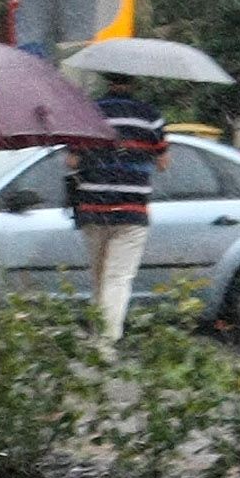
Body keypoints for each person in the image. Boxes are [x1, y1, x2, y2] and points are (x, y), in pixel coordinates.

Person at [73, 79, 168, 340]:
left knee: (100, 279)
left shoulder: (89, 112)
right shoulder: (150, 117)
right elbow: (163, 164)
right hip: (131, 210)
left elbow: (72, 160)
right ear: (135, 81)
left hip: (93, 206)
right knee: (118, 279)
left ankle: (98, 338)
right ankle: (105, 345)